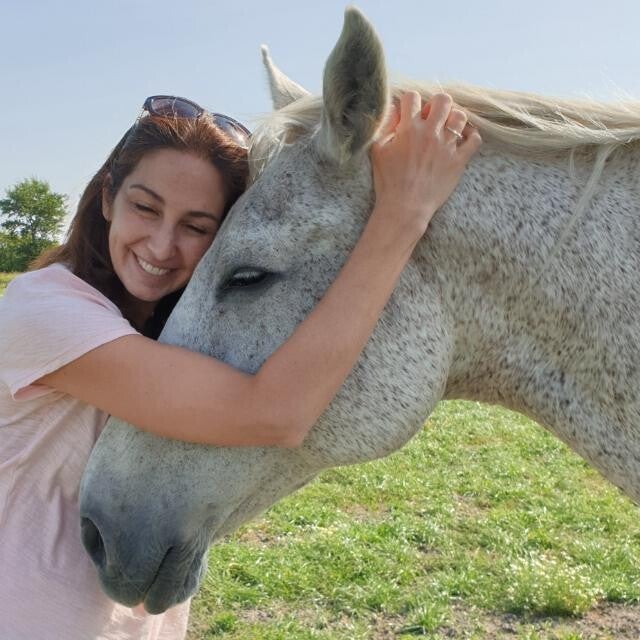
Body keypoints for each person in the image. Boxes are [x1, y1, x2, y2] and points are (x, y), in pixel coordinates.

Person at [0, 91, 480, 639]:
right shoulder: (43, 311)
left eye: (196, 226)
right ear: (108, 197)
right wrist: (403, 214)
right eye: (146, 208)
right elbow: (274, 411)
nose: (162, 245)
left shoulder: (177, 324)